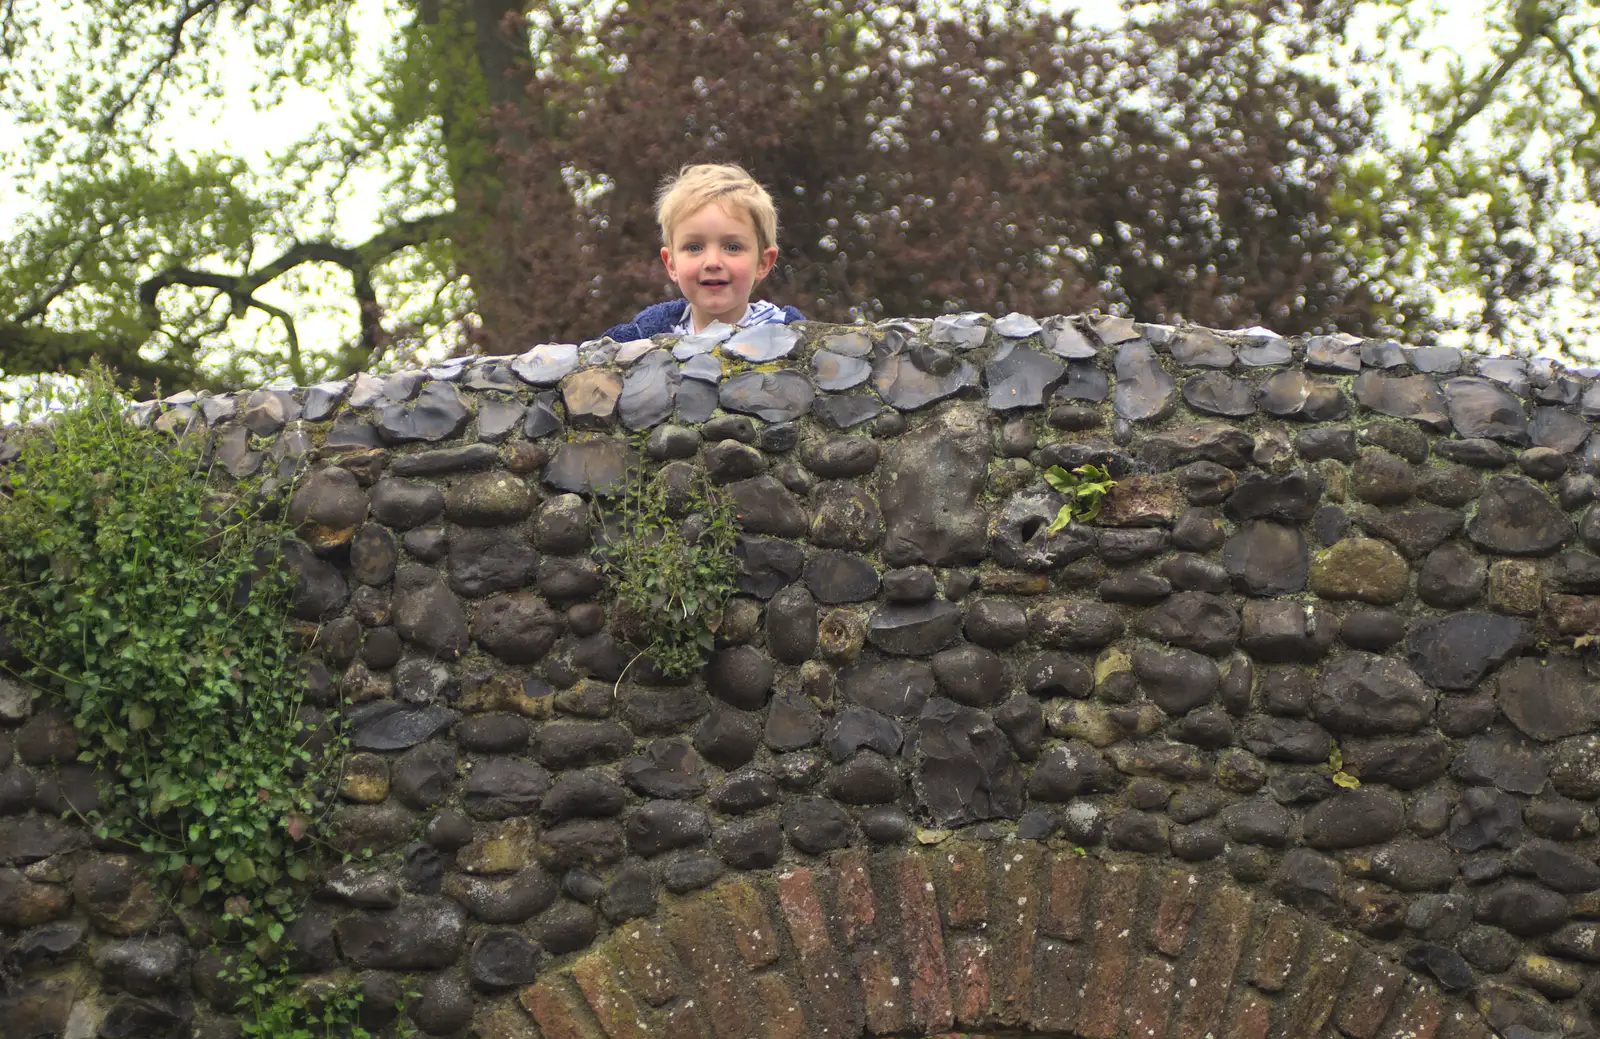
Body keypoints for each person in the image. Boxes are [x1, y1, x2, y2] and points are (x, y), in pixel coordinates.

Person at [601, 163, 804, 341]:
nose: (712, 262)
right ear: (671, 265)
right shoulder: (645, 338)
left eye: (732, 247)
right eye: (694, 247)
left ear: (763, 263)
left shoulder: (789, 335)